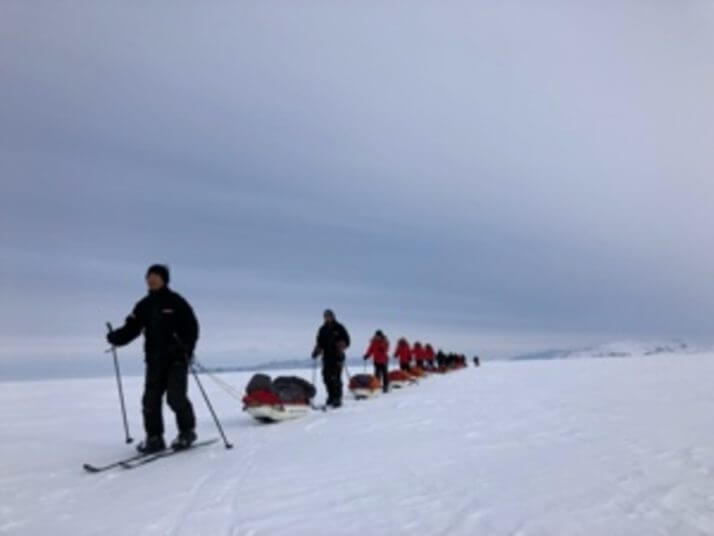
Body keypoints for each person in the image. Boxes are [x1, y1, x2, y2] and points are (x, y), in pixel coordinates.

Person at [107, 264, 199, 454]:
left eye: (156, 275)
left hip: (176, 359)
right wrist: (117, 337)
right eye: (149, 276)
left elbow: (192, 328)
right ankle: (155, 438)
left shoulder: (176, 302)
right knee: (150, 401)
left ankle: (187, 433)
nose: (151, 279)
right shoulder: (143, 305)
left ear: (164, 279)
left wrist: (186, 349)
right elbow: (131, 328)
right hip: (154, 361)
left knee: (175, 398)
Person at [311, 309, 350, 408]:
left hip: (338, 356)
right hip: (327, 356)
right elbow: (320, 343)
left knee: (336, 377)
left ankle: (337, 398)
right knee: (326, 377)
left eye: (329, 316)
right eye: (325, 316)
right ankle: (331, 396)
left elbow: (347, 340)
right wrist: (316, 351)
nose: (327, 318)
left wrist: (341, 345)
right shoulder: (322, 329)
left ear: (333, 316)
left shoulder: (339, 327)